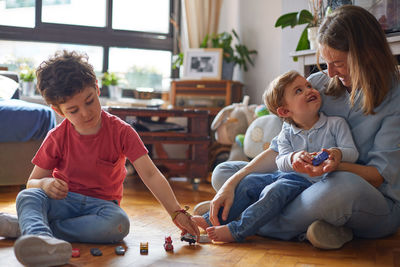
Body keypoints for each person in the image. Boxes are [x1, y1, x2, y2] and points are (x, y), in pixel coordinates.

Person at [195, 5, 400, 250]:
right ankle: (320, 228)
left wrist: (334, 164)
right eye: (326, 62)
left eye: (339, 63)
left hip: (366, 196)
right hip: (300, 184)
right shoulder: (316, 85)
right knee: (224, 171)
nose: (331, 72)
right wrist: (232, 184)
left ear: (366, 54)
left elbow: (378, 176)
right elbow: (278, 150)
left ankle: (241, 219)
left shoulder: (395, 96)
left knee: (340, 187)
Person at [0, 50, 199, 266]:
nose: (86, 113)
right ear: (58, 110)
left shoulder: (122, 132)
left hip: (102, 208)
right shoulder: (57, 136)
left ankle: (32, 229)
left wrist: (176, 212)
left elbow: (150, 174)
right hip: (62, 202)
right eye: (73, 110)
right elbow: (32, 183)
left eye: (89, 101)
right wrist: (46, 184)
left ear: (96, 87)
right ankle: (38, 237)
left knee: (119, 224)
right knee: (27, 197)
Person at [192, 70, 358, 243]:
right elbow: (280, 160)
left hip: (310, 184)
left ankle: (237, 230)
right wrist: (293, 158)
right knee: (249, 182)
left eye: (308, 86)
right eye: (299, 91)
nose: (309, 90)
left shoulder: (336, 124)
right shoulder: (287, 132)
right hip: (283, 176)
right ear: (285, 111)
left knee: (274, 190)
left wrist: (337, 153)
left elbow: (352, 153)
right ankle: (211, 219)